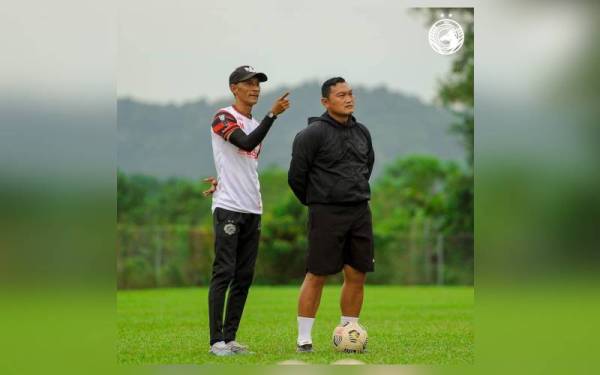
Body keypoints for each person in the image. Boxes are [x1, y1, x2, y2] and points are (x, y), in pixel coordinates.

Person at [206, 65, 290, 356]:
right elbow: (244, 142)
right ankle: (216, 342)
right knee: (224, 272)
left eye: (258, 83)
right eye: (248, 83)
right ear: (234, 88)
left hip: (253, 208)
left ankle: (230, 339)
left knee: (244, 276)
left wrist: (220, 177)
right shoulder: (223, 116)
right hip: (228, 206)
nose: (255, 88)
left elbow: (241, 162)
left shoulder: (256, 123)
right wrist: (272, 114)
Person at [288, 77, 375, 353]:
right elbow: (296, 177)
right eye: (340, 95)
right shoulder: (311, 134)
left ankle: (349, 331)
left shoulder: (362, 132)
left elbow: (366, 167)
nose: (348, 99)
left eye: (350, 94)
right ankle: (304, 339)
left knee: (357, 273)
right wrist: (317, 201)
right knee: (317, 274)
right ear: (326, 102)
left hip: (360, 210)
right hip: (325, 212)